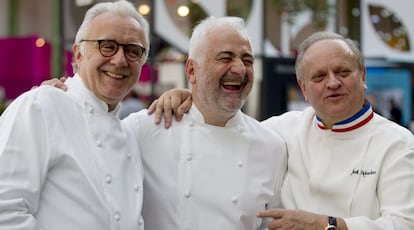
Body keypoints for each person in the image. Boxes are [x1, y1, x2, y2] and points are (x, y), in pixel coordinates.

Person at [150, 31, 414, 230]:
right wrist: (189, 97)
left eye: (343, 72)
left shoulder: (397, 143)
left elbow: (404, 223)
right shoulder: (283, 129)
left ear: (363, 76)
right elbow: (224, 127)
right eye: (319, 77)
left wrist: (327, 224)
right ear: (303, 87)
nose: (332, 83)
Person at [122, 16, 287, 229]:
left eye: (247, 60)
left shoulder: (271, 146)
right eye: (225, 58)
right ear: (192, 71)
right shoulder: (144, 129)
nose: (239, 69)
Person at [0, 1, 149, 229]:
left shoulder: (128, 133)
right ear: (79, 53)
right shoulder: (41, 106)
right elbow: (5, 209)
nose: (120, 60)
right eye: (107, 46)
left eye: (133, 51)